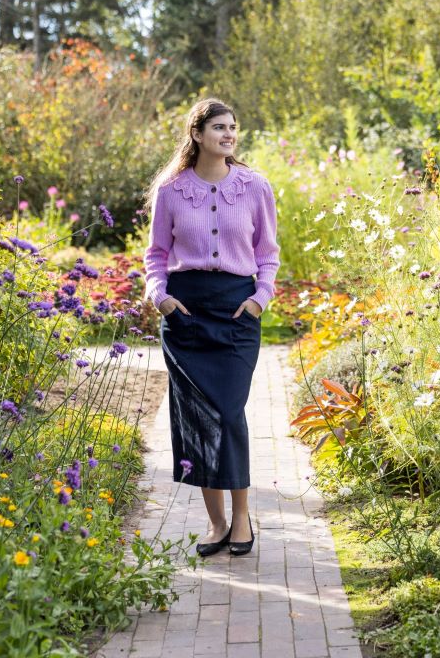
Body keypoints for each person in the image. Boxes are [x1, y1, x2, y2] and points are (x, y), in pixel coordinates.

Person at [143, 98, 279, 557]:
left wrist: (260, 300)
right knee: (198, 417)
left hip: (238, 312)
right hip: (187, 314)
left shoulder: (256, 187)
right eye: (219, 127)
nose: (229, 134)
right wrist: (160, 298)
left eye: (233, 127)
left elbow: (268, 254)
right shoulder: (171, 190)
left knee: (228, 412)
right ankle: (217, 522)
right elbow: (156, 255)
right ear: (197, 134)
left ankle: (242, 517)